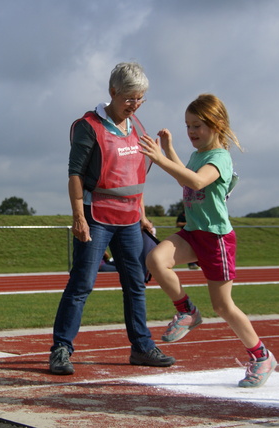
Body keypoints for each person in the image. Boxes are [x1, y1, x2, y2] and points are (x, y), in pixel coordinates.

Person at [138, 94, 276, 388]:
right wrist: (170, 150)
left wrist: (160, 158)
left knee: (223, 307)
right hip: (193, 232)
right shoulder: (198, 155)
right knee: (155, 259)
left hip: (215, 238)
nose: (191, 132)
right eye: (188, 125)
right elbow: (184, 178)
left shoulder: (220, 158)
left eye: (197, 125)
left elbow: (198, 182)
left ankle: (261, 356)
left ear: (218, 125)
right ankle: (187, 311)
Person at [49, 62, 175, 375]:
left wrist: (143, 216)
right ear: (113, 92)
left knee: (135, 284)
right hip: (98, 218)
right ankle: (61, 349)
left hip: (131, 220)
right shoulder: (88, 126)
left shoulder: (138, 128)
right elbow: (75, 173)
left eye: (140, 99)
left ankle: (142, 346)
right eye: (129, 98)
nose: (135, 105)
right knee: (81, 284)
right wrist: (79, 216)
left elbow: (135, 176)